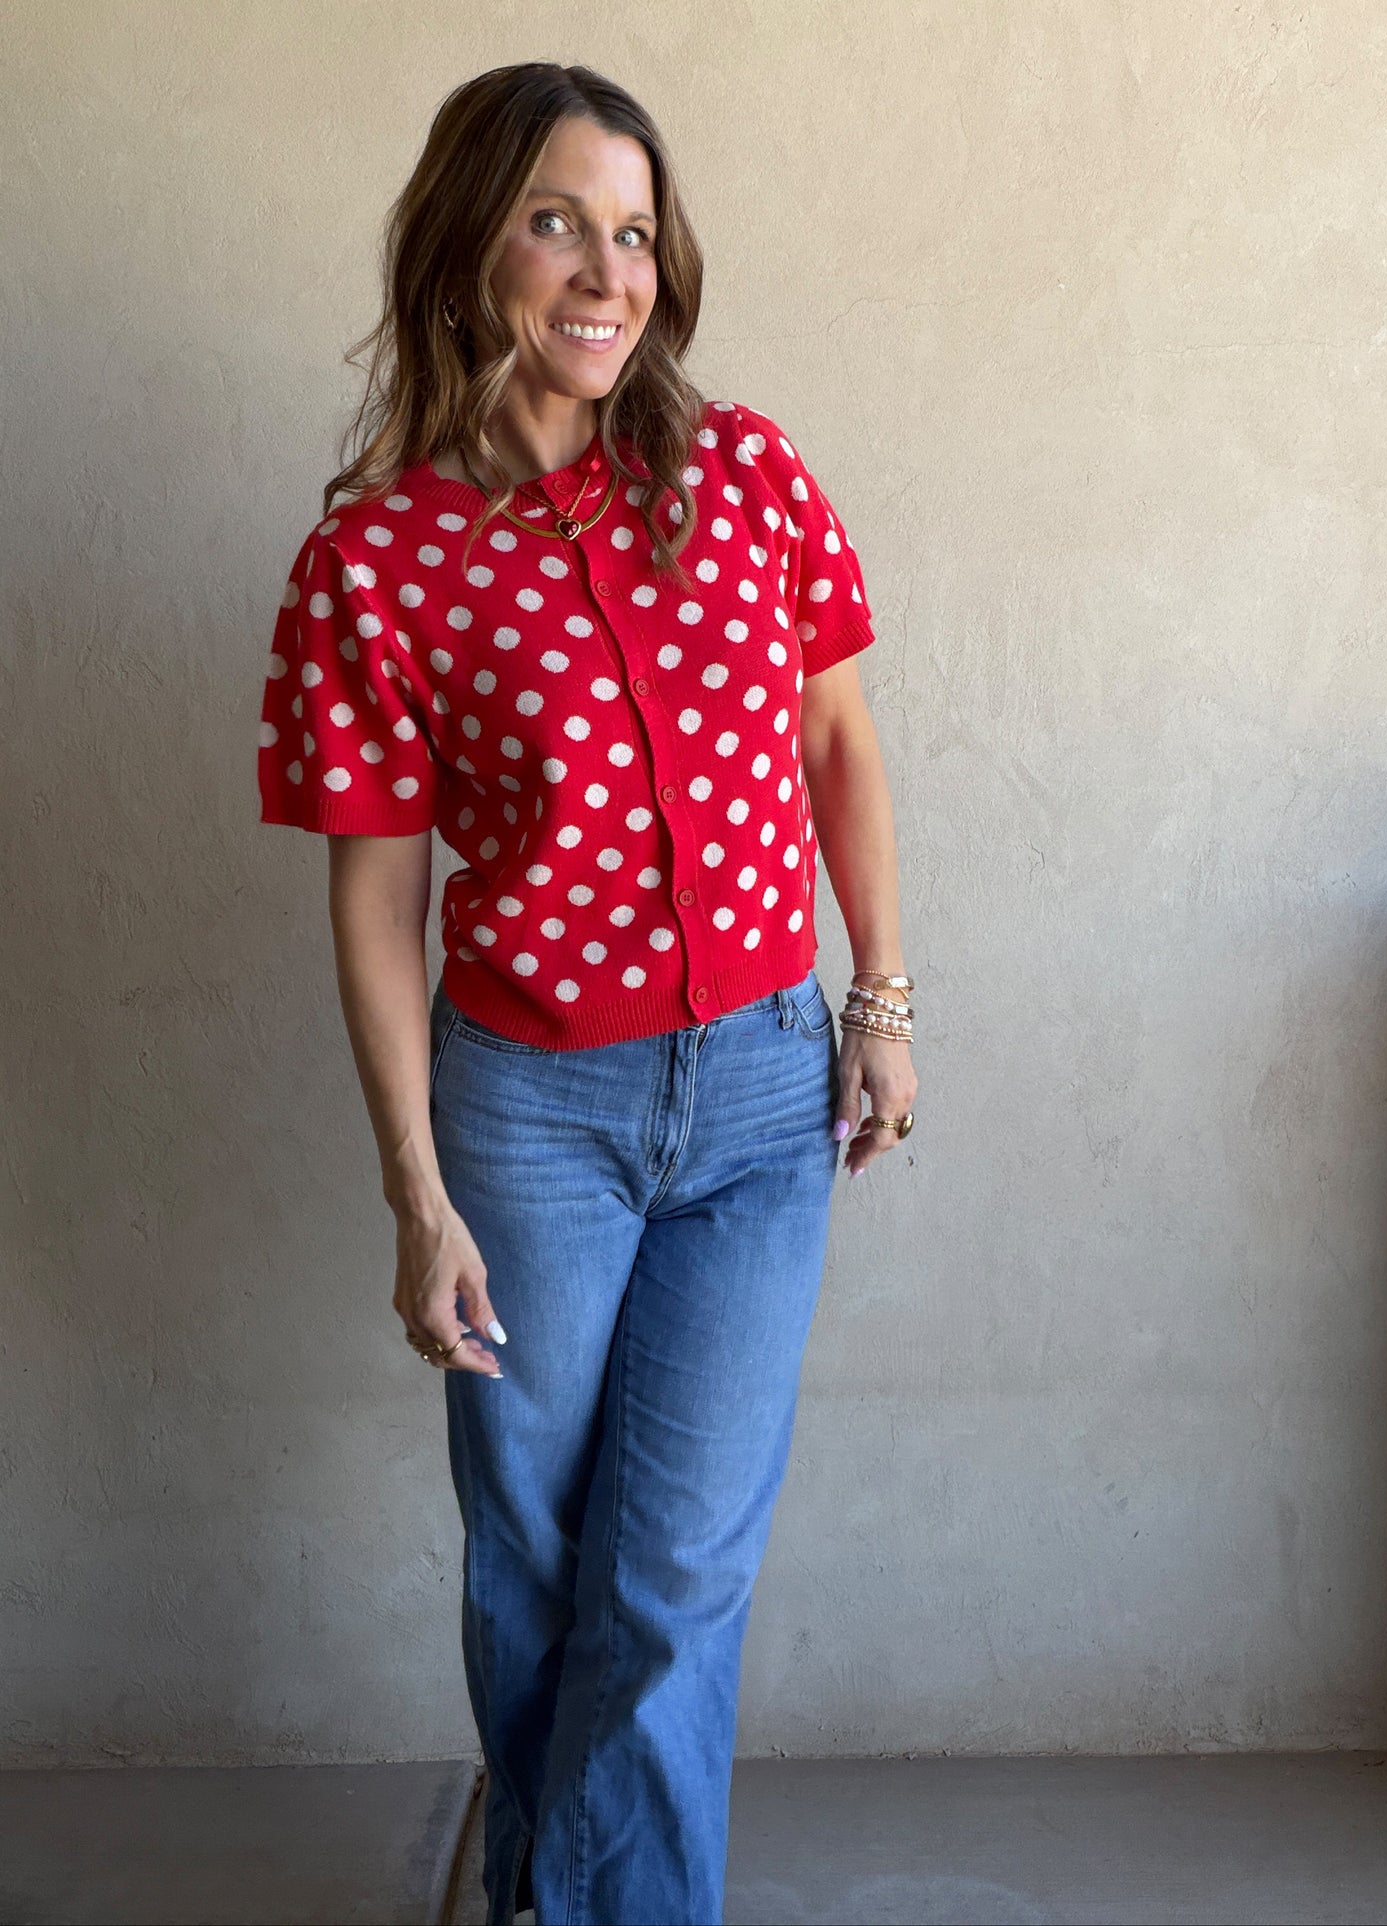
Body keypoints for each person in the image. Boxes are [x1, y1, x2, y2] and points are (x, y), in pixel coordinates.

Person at [256, 60, 918, 1926]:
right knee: (537, 1563)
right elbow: (376, 894)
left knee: (678, 1572)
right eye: (559, 220)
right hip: (529, 1119)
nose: (607, 270)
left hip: (761, 1104)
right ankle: (553, 1880)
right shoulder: (377, 562)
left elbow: (839, 748)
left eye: (634, 230)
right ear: (473, 248)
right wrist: (418, 1191)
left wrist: (880, 997)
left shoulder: (751, 480)